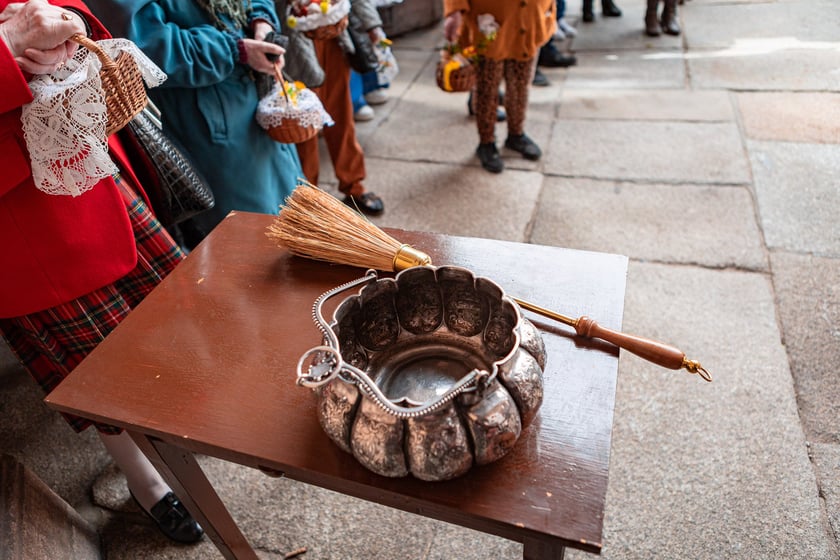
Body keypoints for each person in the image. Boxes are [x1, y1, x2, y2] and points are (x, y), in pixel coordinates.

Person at [0, 0, 202, 544]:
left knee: (168, 316)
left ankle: (172, 426)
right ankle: (146, 481)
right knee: (93, 366)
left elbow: (69, 7)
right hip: (16, 213)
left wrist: (58, 23)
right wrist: (7, 48)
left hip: (81, 158)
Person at [88, 0, 304, 247]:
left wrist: (261, 22)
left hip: (257, 101)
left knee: (292, 217)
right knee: (254, 242)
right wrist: (234, 49)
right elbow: (141, 45)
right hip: (210, 125)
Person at [293, 0, 386, 216]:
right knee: (305, 123)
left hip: (334, 34)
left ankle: (353, 186)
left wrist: (372, 25)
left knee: (342, 115)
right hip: (295, 38)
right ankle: (307, 199)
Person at [443, 1, 555, 174]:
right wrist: (454, 11)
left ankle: (516, 134)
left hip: (531, 17)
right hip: (489, 19)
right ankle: (486, 142)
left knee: (520, 83)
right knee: (487, 85)